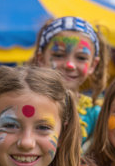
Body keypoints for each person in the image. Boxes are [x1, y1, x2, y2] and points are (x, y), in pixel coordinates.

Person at [31, 16, 110, 144]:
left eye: (81, 58)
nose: (70, 65)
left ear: (93, 65)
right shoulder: (24, 102)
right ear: (40, 59)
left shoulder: (95, 115)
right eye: (59, 55)